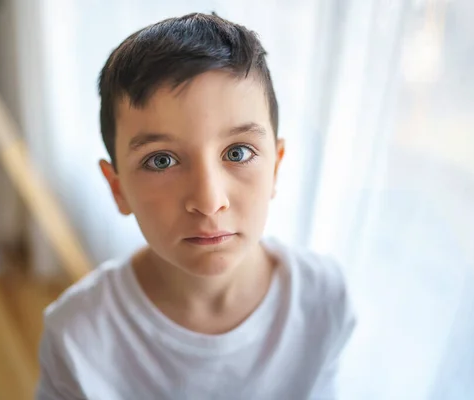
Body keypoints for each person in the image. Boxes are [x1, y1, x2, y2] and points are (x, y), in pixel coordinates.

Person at [36, 12, 355, 400]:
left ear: (276, 167)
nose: (208, 202)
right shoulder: (77, 338)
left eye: (237, 152)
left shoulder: (324, 298)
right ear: (117, 189)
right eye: (161, 160)